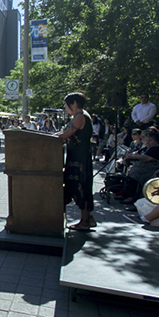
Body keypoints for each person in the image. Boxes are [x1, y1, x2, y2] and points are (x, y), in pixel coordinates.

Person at [59, 92, 96, 231]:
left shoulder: (80, 117)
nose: (65, 107)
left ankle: (85, 221)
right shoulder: (82, 115)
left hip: (79, 159)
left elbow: (65, 134)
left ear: (74, 103)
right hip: (78, 156)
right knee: (76, 186)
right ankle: (88, 218)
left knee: (80, 187)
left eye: (67, 104)